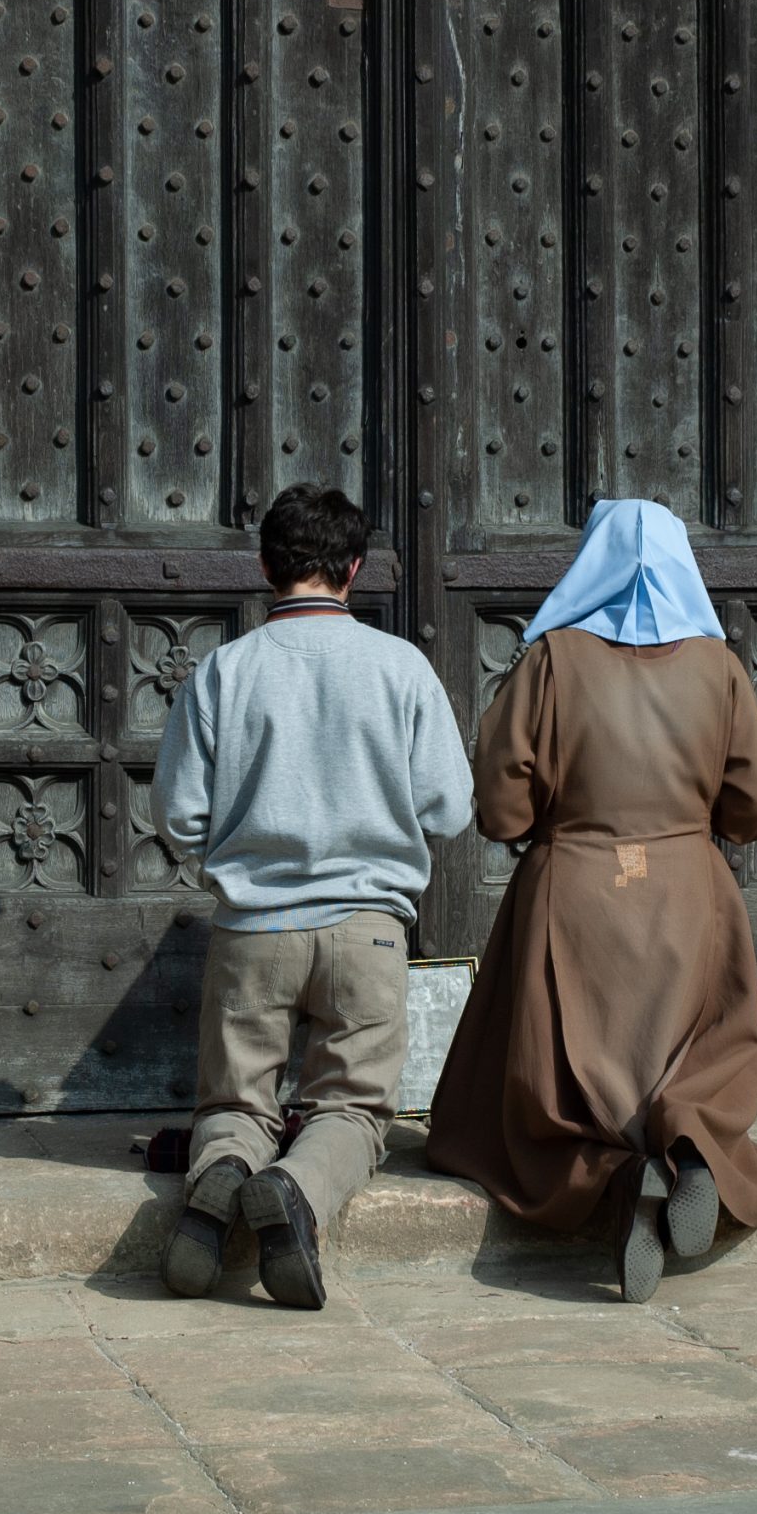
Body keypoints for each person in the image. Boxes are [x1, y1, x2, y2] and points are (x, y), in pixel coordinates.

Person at [425, 498, 757, 1302]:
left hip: (573, 890)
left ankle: (620, 1180)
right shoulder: (716, 667)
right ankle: (688, 1146)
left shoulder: (552, 660)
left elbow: (501, 807)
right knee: (698, 1052)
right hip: (689, 894)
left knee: (547, 1088)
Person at [152, 486, 474, 1309]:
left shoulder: (225, 670)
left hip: (253, 930)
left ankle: (222, 1175)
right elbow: (450, 806)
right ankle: (294, 1190)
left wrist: (233, 857)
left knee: (233, 1102)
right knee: (355, 1111)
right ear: (355, 570)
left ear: (265, 566)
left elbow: (178, 814)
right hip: (367, 931)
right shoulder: (400, 666)